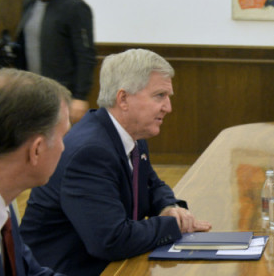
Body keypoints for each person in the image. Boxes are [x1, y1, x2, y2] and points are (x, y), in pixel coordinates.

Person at [20, 49, 211, 276]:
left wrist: (169, 207)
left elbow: (152, 185)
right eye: (159, 95)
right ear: (123, 99)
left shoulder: (131, 135)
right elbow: (111, 240)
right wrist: (174, 225)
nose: (168, 107)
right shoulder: (90, 152)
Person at [0, 68, 71, 276]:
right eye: (63, 137)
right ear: (37, 149)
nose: (64, 147)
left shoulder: (3, 204)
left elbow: (32, 272)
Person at [15, 0, 96, 123]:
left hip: (62, 94)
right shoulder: (29, 4)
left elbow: (85, 55)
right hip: (30, 92)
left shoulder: (75, 8)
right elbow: (27, 44)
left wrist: (80, 96)